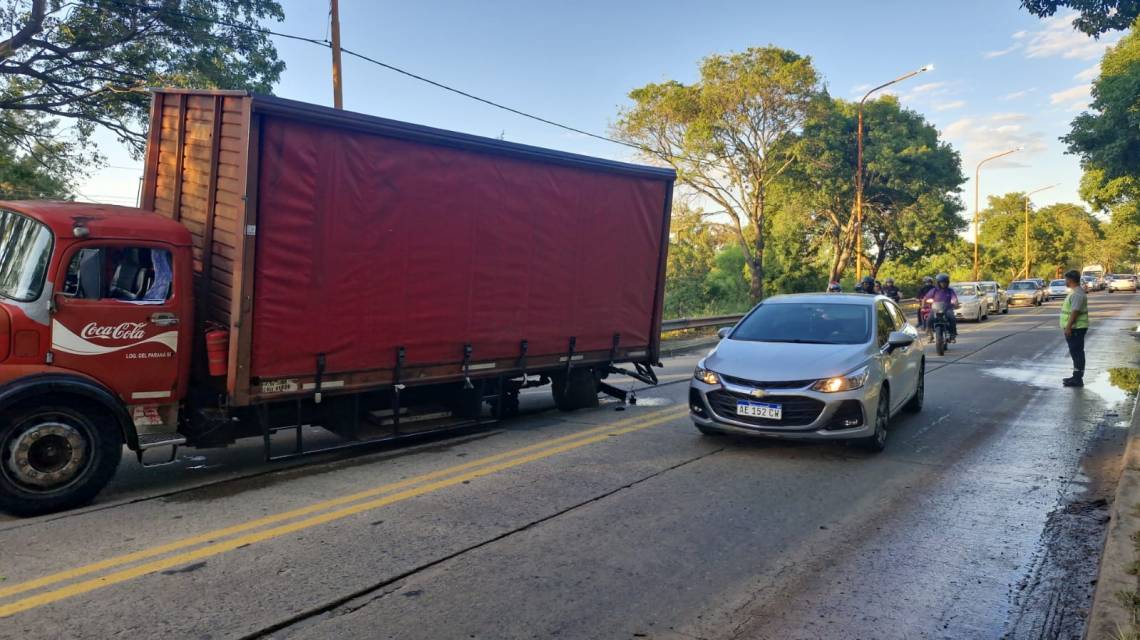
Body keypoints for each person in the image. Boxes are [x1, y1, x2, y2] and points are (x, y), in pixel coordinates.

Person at [1060, 269, 1089, 387]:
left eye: (1066, 279)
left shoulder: (1077, 294)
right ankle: (1076, 376)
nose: (1065, 281)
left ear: (1071, 280)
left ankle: (1078, 379)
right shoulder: (1075, 292)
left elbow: (1074, 312)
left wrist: (1068, 327)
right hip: (1076, 328)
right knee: (1076, 352)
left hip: (1076, 328)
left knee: (1077, 353)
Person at [927, 273, 959, 341]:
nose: (943, 284)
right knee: (929, 318)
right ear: (938, 283)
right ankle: (930, 334)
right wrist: (923, 305)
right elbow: (926, 297)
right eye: (941, 282)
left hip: (947, 309)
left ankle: (953, 334)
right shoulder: (934, 290)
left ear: (947, 283)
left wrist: (956, 303)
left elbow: (954, 298)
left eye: (945, 282)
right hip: (935, 309)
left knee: (952, 318)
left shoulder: (950, 290)